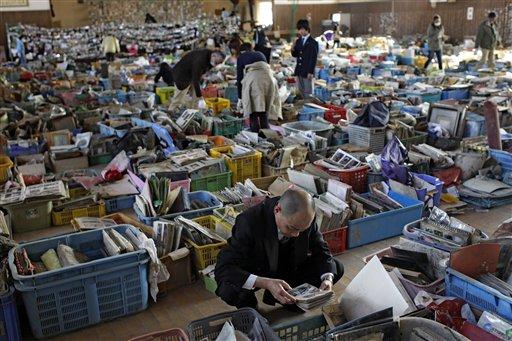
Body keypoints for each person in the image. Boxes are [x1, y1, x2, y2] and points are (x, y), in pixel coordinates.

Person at [215, 189, 343, 309]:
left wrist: (327, 279)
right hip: (258, 269)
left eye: (301, 230)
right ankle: (250, 307)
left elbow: (321, 249)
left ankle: (290, 300)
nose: (296, 235)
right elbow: (224, 267)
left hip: (289, 268)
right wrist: (266, 283)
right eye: (292, 228)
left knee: (335, 267)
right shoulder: (249, 221)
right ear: (277, 210)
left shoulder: (304, 218)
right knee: (229, 289)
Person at [154, 49, 225, 98]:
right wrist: (199, 94)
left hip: (185, 78)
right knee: (179, 97)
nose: (217, 64)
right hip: (182, 79)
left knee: (188, 96)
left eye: (219, 63)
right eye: (217, 62)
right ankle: (172, 110)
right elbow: (195, 78)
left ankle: (191, 106)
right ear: (214, 56)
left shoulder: (206, 58)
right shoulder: (200, 60)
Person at [291, 19, 319, 98]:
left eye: (303, 29)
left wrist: (311, 72)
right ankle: (302, 107)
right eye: (299, 29)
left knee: (308, 92)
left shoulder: (313, 42)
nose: (301, 31)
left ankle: (308, 106)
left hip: (307, 71)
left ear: (307, 28)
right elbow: (295, 54)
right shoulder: (298, 41)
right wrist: (292, 48)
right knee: (300, 91)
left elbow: (314, 58)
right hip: (299, 69)